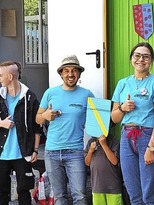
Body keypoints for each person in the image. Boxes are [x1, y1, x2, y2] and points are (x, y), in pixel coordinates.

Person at [110, 42, 154, 205]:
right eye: (137, 55)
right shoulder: (122, 84)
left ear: (151, 60)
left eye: (146, 56)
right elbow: (114, 118)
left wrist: (151, 147)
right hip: (126, 136)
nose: (141, 59)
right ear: (131, 59)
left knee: (149, 193)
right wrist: (122, 108)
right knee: (133, 191)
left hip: (147, 136)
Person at [35, 55, 94, 205]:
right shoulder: (50, 93)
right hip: (52, 152)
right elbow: (37, 118)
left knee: (79, 196)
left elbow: (97, 121)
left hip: (75, 152)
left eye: (74, 70)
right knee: (59, 197)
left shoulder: (87, 95)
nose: (70, 74)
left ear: (79, 74)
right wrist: (46, 115)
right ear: (61, 73)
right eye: (66, 71)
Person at [0, 61, 41, 205]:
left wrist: (35, 149)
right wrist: (2, 124)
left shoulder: (30, 97)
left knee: (24, 192)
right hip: (1, 153)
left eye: (0, 75)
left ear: (10, 76)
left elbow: (37, 126)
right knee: (2, 193)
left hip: (22, 153)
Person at [84, 123, 123, 205]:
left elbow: (114, 161)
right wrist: (91, 150)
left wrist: (104, 145)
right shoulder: (91, 141)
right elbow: (87, 163)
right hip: (97, 187)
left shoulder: (114, 141)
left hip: (113, 187)